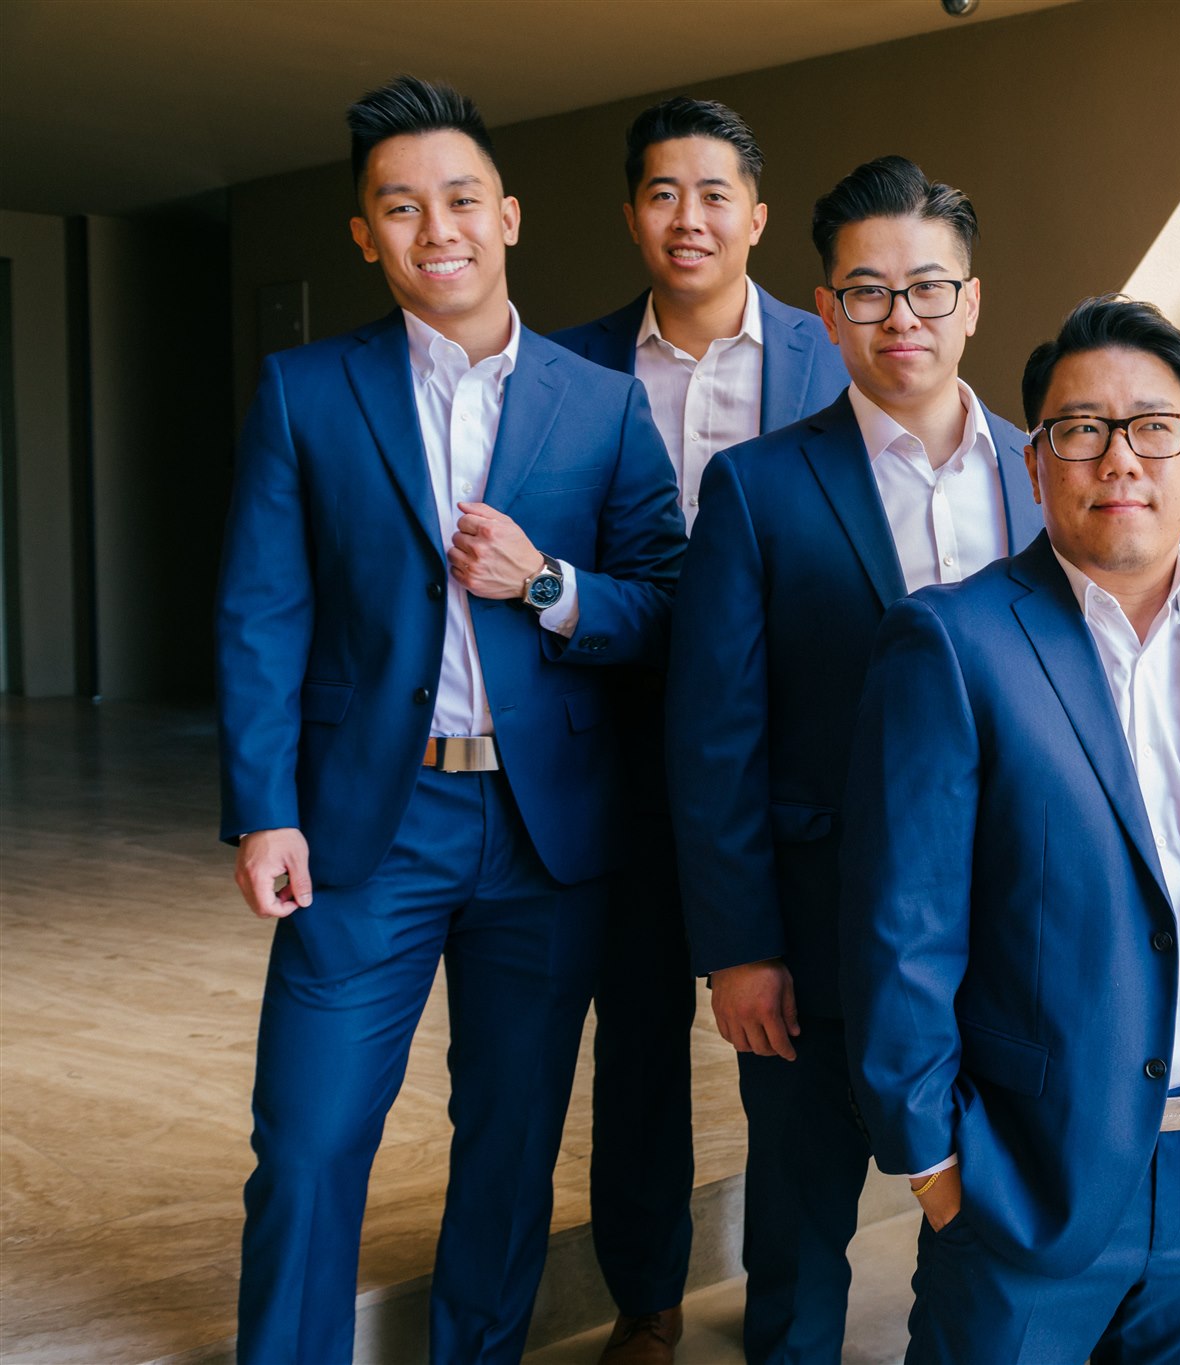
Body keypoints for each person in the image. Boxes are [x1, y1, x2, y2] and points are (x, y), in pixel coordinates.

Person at [216, 76, 686, 1364]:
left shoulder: (599, 404)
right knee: (308, 1137)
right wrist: (264, 808)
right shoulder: (307, 393)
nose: (440, 231)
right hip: (371, 821)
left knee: (512, 1133)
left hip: (548, 836)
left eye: (462, 200)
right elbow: (262, 615)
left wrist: (546, 586)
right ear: (367, 236)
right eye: (403, 208)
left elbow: (663, 605)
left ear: (510, 217)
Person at [841, 295, 1180, 1364]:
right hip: (1022, 1175)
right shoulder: (948, 643)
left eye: (1151, 426)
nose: (1119, 457)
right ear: (1036, 464)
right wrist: (933, 1167)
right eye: (1081, 429)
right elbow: (902, 926)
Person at [666, 155, 1040, 1363]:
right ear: (824, 310)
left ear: (972, 301)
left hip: (1012, 927)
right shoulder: (758, 488)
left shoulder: (1050, 474)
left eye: (928, 289)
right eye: (867, 292)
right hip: (817, 931)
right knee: (797, 1219)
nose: (901, 319)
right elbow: (714, 736)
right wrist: (737, 948)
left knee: (986, 1217)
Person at [549, 96, 847, 1365]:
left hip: (776, 760)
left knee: (781, 1046)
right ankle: (647, 1296)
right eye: (663, 193)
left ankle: (787, 1300)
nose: (689, 218)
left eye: (714, 193)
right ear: (631, 214)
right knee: (633, 1045)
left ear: (757, 214)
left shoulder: (833, 354)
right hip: (613, 754)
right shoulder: (566, 370)